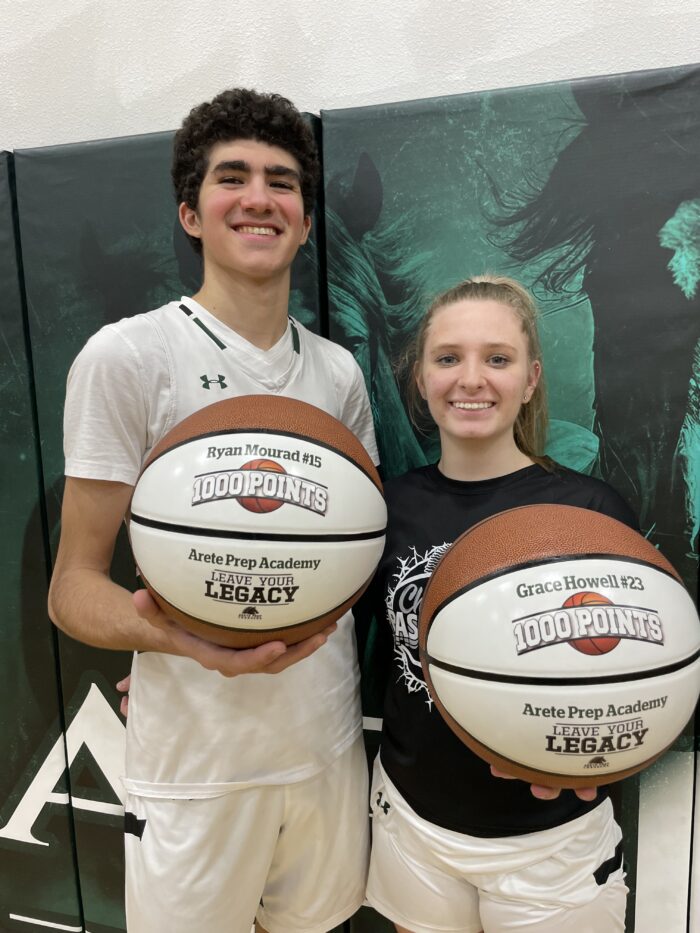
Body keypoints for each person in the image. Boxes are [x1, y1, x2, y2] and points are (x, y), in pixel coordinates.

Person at [48, 88, 378, 933]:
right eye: (233, 178)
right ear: (191, 214)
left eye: (282, 182)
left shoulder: (338, 373)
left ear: (305, 220)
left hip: (325, 747)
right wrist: (174, 638)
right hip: (197, 767)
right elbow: (72, 588)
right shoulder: (127, 356)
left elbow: (353, 560)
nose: (260, 197)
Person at [359, 275, 635, 933]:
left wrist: (612, 752)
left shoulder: (591, 511)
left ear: (532, 377)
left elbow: (645, 675)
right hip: (415, 824)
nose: (471, 379)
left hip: (551, 841)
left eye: (498, 358)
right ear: (420, 377)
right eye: (448, 358)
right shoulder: (385, 506)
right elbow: (322, 630)